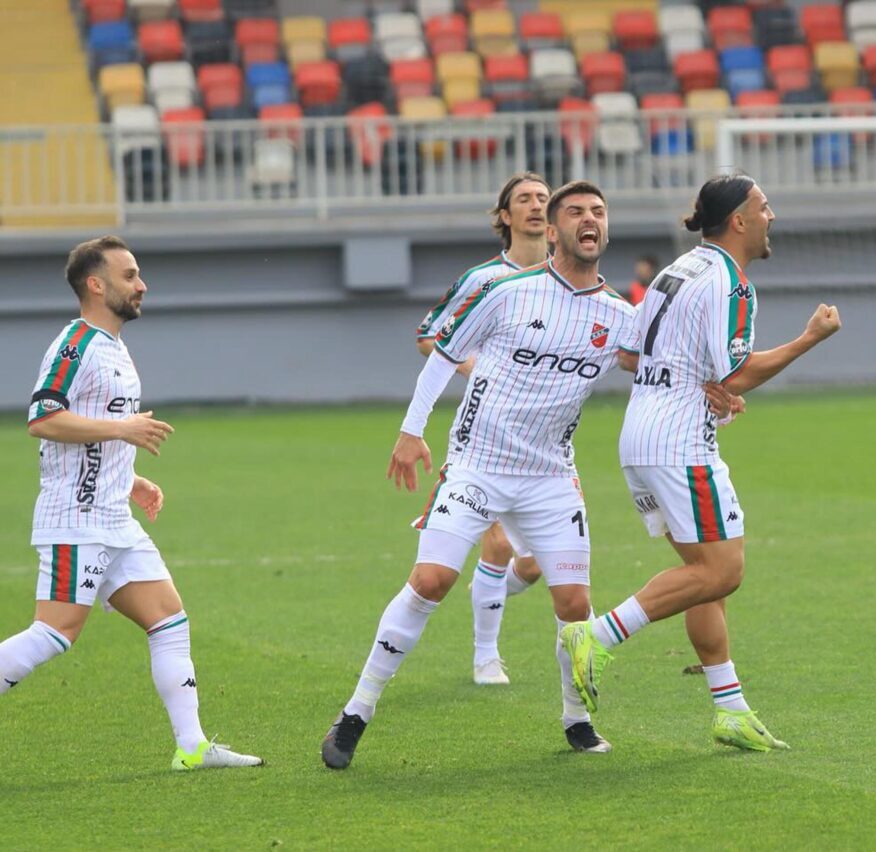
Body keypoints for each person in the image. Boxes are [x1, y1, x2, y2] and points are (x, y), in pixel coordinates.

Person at [321, 181, 639, 768]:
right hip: (476, 465)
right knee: (431, 580)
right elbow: (441, 353)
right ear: (554, 230)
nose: (589, 219)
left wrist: (712, 392)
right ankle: (355, 713)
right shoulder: (504, 290)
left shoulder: (622, 316)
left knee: (575, 603)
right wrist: (412, 431)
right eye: (575, 211)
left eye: (598, 211)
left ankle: (577, 719)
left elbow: (656, 368)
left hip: (550, 476)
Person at [560, 175, 843, 752]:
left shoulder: (678, 269)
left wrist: (706, 385)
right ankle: (598, 636)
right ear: (738, 220)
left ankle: (730, 709)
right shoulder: (732, 283)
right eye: (764, 207)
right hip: (680, 444)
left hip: (640, 436)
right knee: (722, 571)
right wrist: (809, 338)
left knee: (700, 578)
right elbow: (739, 372)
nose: (771, 216)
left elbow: (636, 354)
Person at [2, 236, 262, 771]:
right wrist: (124, 430)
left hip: (113, 517)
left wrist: (130, 479)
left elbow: (92, 432)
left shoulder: (113, 346)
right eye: (129, 276)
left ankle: (192, 748)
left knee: (168, 618)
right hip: (76, 519)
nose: (141, 285)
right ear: (95, 285)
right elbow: (43, 419)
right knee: (55, 633)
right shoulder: (74, 345)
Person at [415, 173, 552, 686]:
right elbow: (429, 335)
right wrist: (474, 367)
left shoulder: (567, 279)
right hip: (484, 435)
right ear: (505, 216)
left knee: (534, 565)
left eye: (544, 198)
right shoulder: (482, 279)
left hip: (543, 442)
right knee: (496, 546)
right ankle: (485, 657)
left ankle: (486, 591)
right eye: (525, 199)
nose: (536, 206)